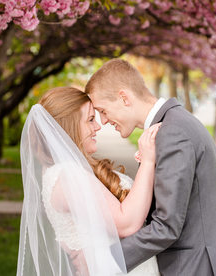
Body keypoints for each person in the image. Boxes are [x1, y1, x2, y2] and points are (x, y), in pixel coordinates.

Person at [86, 59, 216, 276]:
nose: (103, 121)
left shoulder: (173, 132)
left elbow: (166, 226)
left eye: (103, 110)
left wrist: (105, 260)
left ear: (124, 98)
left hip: (193, 268)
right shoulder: (171, 125)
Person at [16, 86, 161, 276]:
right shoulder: (68, 175)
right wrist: (148, 161)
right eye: (91, 120)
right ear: (70, 125)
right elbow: (126, 223)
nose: (98, 126)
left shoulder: (64, 172)